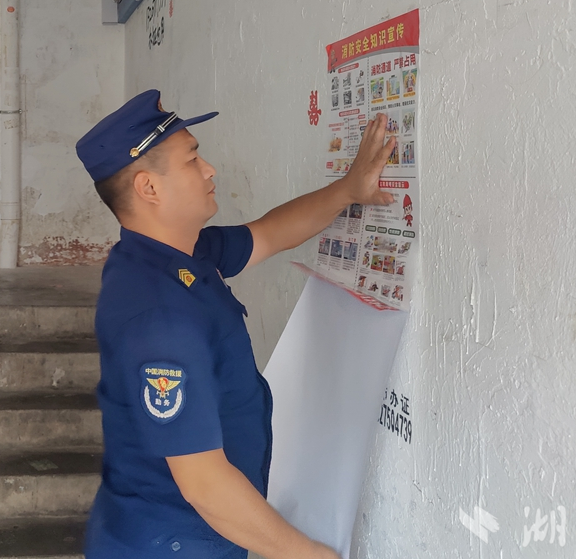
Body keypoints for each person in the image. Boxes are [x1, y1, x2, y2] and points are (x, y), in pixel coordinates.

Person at [75, 89, 396, 559]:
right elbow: (204, 484)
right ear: (149, 188)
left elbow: (269, 233)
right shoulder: (159, 318)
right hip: (173, 544)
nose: (210, 170)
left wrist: (349, 189)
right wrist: (309, 555)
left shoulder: (173, 255)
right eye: (192, 160)